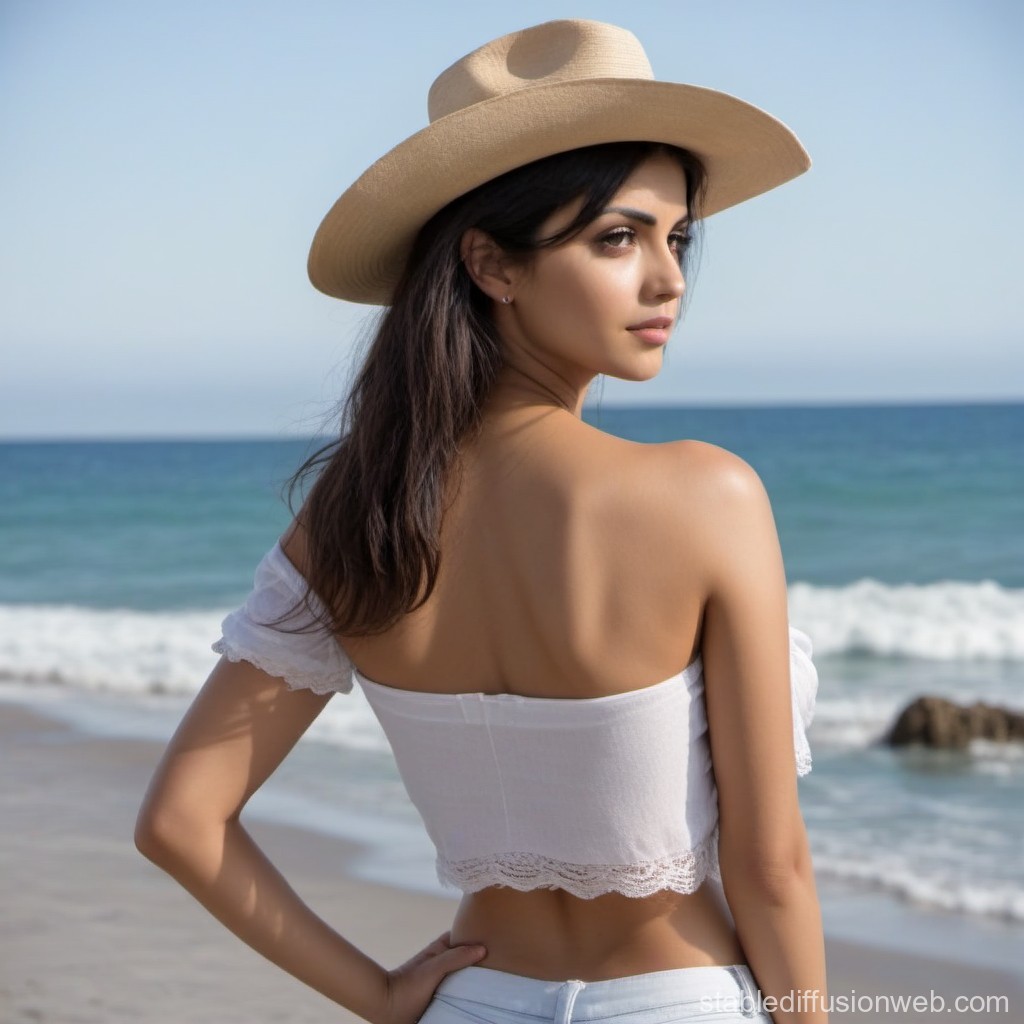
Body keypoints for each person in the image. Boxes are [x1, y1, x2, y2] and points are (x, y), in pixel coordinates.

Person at [136, 18, 827, 1024]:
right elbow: (771, 868)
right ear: (491, 265)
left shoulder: (355, 515)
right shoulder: (704, 495)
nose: (669, 278)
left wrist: (377, 995)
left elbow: (180, 823)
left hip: (476, 1001)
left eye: (677, 237)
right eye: (617, 237)